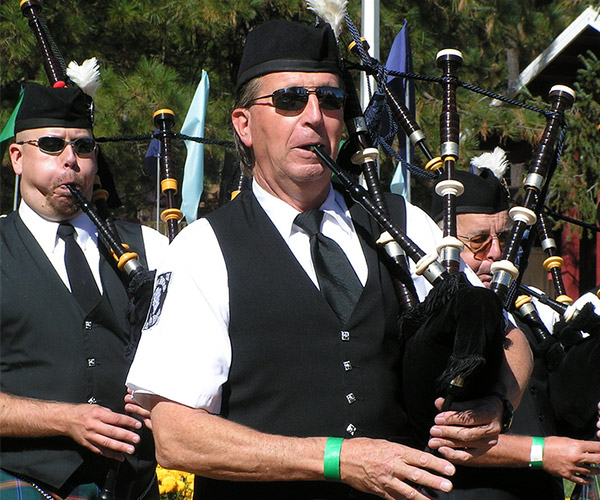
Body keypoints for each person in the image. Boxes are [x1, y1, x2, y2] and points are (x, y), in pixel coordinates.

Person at [126, 20, 532, 500]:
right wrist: (337, 459)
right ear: (244, 124)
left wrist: (498, 404)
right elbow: (176, 436)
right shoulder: (202, 248)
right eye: (289, 100)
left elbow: (508, 336)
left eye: (331, 100)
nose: (314, 116)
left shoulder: (405, 225)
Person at [0, 82, 167, 500]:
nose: (71, 160)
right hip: (26, 481)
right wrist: (63, 419)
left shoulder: (151, 247)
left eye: (85, 147)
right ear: (17, 157)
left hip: (134, 484)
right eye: (53, 145)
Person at [429, 166, 600, 499]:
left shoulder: (525, 316)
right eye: (478, 241)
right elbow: (442, 437)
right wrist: (542, 453)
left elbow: (561, 414)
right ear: (445, 244)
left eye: (504, 238)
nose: (496, 253)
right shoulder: (430, 325)